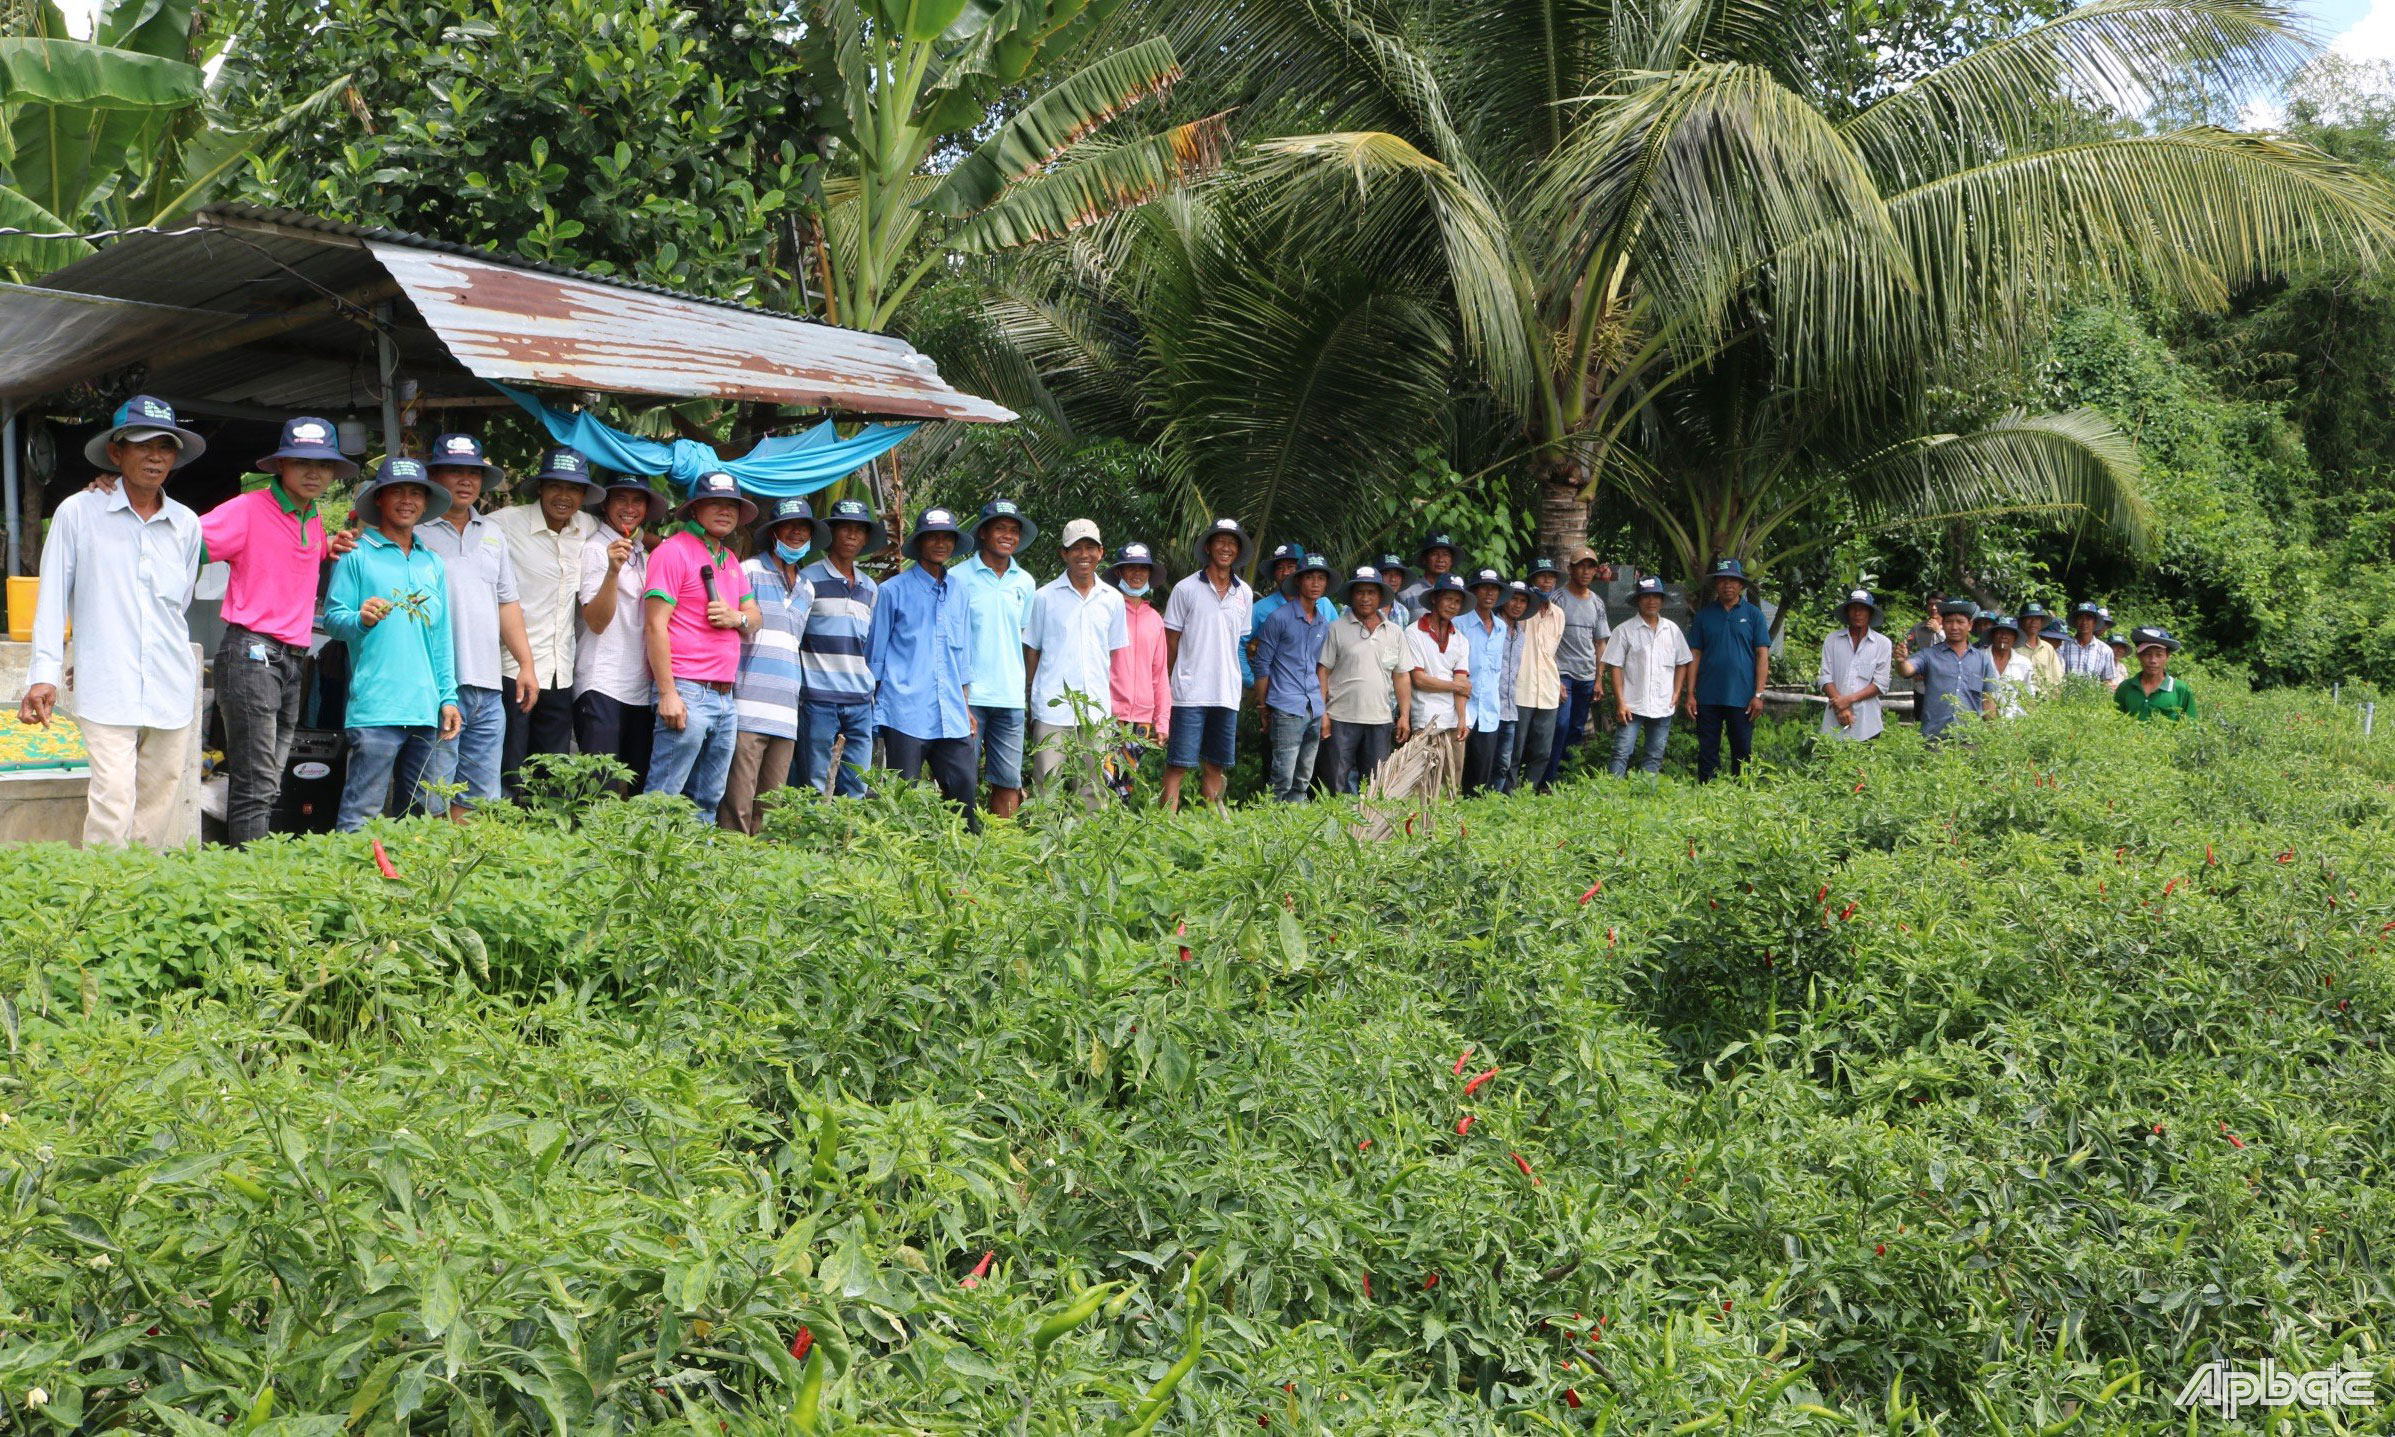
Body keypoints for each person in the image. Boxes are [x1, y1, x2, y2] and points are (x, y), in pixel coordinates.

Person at [20, 394, 208, 847]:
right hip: (107, 682)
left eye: (166, 446)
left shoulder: (186, 523)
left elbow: (176, 605)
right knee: (113, 798)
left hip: (169, 683)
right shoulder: (77, 512)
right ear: (116, 452)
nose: (156, 456)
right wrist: (44, 673)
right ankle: (102, 898)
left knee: (158, 800)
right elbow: (51, 601)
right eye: (142, 445)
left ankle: (139, 900)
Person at [200, 415, 359, 844]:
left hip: (291, 658)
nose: (314, 472)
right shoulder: (247, 509)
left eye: (324, 465)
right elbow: (180, 544)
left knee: (269, 782)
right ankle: (250, 885)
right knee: (254, 784)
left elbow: (287, 555)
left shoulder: (311, 517)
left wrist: (327, 547)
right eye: (302, 462)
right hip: (251, 654)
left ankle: (255, 875)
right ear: (281, 466)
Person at [325, 458, 462, 831]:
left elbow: (441, 637)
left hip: (425, 710)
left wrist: (448, 697)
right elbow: (333, 620)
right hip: (375, 710)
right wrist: (361, 619)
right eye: (397, 492)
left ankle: (407, 890)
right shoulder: (357, 553)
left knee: (418, 820)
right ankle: (348, 886)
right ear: (380, 501)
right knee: (360, 816)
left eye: (415, 492)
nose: (407, 500)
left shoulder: (431, 562)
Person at [418, 434, 537, 819]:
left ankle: (463, 874)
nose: (466, 481)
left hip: (487, 687)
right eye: (455, 471)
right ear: (435, 476)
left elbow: (507, 603)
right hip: (438, 684)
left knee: (477, 798)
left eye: (474, 473)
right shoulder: (416, 532)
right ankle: (428, 872)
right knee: (433, 793)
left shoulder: (492, 533)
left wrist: (526, 665)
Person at [641, 471, 764, 811]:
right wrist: (667, 693)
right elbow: (654, 625)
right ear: (695, 509)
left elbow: (754, 618)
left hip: (726, 696)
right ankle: (645, 862)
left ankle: (699, 862)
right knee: (663, 796)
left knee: (707, 800)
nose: (725, 511)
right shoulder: (673, 552)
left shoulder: (731, 560)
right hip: (686, 690)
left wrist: (735, 618)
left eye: (731, 505)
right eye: (714, 503)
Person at [491, 444, 603, 794]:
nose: (563, 496)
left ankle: (543, 844)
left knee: (551, 774)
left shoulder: (584, 525)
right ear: (540, 487)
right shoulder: (506, 523)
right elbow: (453, 527)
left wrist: (661, 542)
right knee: (510, 771)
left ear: (583, 495)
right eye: (556, 485)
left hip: (560, 671)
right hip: (513, 668)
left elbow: (620, 529)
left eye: (573, 488)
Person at [870, 507, 979, 828]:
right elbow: (875, 655)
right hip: (905, 711)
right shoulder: (892, 591)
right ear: (919, 543)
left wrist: (966, 706)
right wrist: (874, 707)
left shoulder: (959, 591)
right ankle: (899, 864)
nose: (941, 543)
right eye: (933, 537)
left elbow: (962, 657)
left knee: (964, 791)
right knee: (903, 799)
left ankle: (964, 863)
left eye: (947, 537)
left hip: (952, 712)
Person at [719, 496, 816, 834]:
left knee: (771, 808)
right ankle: (730, 867)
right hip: (747, 705)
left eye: (803, 528)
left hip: (786, 711)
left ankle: (761, 875)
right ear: (774, 532)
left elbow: (795, 642)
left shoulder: (808, 589)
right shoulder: (747, 571)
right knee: (737, 801)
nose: (796, 533)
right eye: (789, 527)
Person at [1025, 519, 1129, 804]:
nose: (1084, 554)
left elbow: (1111, 654)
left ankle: (1087, 846)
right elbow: (1032, 650)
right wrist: (1030, 696)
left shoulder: (1113, 599)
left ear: (1101, 552)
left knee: (1093, 789)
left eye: (1090, 548)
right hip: (1052, 710)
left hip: (1096, 711)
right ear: (1064, 553)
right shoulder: (1044, 597)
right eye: (1076, 548)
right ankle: (1044, 845)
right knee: (1047, 785)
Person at [575, 474, 666, 794]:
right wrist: (613, 571)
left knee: (639, 791)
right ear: (606, 504)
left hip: (642, 689)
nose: (629, 508)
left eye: (637, 501)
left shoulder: (644, 552)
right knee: (600, 792)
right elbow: (596, 622)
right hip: (602, 684)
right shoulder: (596, 549)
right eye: (621, 500)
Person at [1161, 518, 1256, 813]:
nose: (1226, 548)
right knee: (1178, 764)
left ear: (1238, 551)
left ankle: (1209, 826)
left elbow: (1238, 643)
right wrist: (1166, 685)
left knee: (1216, 764)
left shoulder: (1245, 593)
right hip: (1189, 691)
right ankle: (1165, 825)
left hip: (1226, 692)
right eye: (1220, 541)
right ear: (1208, 547)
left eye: (1232, 543)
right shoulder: (1185, 589)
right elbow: (1171, 642)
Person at [798, 497, 886, 797]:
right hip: (818, 697)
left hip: (860, 700)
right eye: (845, 529)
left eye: (859, 530)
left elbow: (870, 646)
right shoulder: (808, 579)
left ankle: (850, 842)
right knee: (816, 782)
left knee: (857, 784)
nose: (852, 535)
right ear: (831, 534)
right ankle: (816, 844)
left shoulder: (869, 588)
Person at [957, 499, 1038, 819]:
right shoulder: (958, 578)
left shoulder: (1025, 582)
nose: (1008, 536)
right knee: (962, 777)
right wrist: (958, 696)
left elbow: (1018, 637)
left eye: (1014, 530)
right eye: (1000, 528)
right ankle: (961, 845)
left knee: (1007, 779)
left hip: (1010, 698)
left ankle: (1001, 847)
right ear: (983, 533)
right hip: (970, 696)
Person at [1317, 565, 1412, 794]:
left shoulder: (1394, 632)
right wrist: (1322, 714)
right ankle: (1335, 828)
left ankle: (1369, 830)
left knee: (1375, 786)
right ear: (1351, 596)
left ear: (1380, 596)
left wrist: (1404, 716)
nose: (1365, 598)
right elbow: (1323, 672)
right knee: (1335, 784)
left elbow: (1401, 676)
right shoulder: (1336, 629)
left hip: (1380, 719)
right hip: (1341, 718)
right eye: (1360, 592)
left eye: (1371, 592)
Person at [1251, 552, 1333, 801]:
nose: (1316, 583)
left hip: (1313, 706)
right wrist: (1263, 706)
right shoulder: (1279, 618)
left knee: (1303, 779)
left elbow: (1321, 667)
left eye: (1321, 578)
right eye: (1310, 577)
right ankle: (1271, 827)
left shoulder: (1322, 622)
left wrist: (1323, 707)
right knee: (1282, 777)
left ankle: (1294, 831)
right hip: (1286, 705)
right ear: (1298, 580)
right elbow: (1262, 665)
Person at [1685, 557, 1770, 782]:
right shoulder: (1704, 616)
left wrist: (1759, 694)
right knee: (1707, 750)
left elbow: (1762, 655)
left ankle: (1742, 795)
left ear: (1741, 585)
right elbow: (1695, 654)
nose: (1727, 585)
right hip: (1708, 696)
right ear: (1716, 584)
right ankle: (1707, 793)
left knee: (1742, 751)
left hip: (1742, 698)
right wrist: (1690, 693)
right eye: (1722, 580)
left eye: (1733, 580)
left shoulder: (1754, 615)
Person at [1603, 575, 1691, 777]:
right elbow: (1614, 666)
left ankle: (1646, 795)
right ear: (1638, 600)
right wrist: (1620, 702)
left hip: (1663, 703)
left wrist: (1677, 692)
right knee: (1621, 752)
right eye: (1646, 597)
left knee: (1654, 754)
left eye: (1655, 597)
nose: (1651, 601)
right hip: (1632, 704)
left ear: (1661, 600)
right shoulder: (1624, 630)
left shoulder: (1672, 630)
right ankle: (1609, 795)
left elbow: (1683, 662)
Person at [1543, 547, 1611, 786]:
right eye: (1580, 565)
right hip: (1562, 674)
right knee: (1560, 725)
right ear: (1570, 569)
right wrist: (1554, 677)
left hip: (1587, 676)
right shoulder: (1557, 599)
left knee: (1576, 728)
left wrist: (1599, 678)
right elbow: (1546, 640)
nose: (1585, 571)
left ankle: (1565, 775)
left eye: (1590, 566)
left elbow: (1600, 643)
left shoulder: (1597, 603)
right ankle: (1547, 780)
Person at [1896, 598, 1998, 740]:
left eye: (1960, 622)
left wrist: (1992, 736)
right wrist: (1901, 661)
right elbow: (1906, 670)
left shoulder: (1983, 660)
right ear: (1942, 624)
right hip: (1934, 739)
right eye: (1949, 622)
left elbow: (1988, 702)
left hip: (1971, 740)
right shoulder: (1928, 655)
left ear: (1970, 625)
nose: (1954, 627)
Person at [1107, 541, 1170, 750]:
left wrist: (1162, 721)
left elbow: (1159, 673)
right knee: (1102, 778)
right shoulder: (1107, 611)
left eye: (1143, 568)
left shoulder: (1155, 620)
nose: (1137, 573)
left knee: (1127, 781)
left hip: (1142, 717)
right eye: (1131, 567)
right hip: (1108, 712)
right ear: (1119, 572)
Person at [1456, 567, 1512, 794]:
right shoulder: (1460, 624)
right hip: (1462, 710)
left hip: (1489, 711)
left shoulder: (1501, 627)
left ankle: (1473, 823)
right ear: (1474, 591)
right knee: (1457, 771)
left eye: (1494, 589)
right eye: (1484, 588)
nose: (1489, 593)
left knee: (1480, 778)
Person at [1509, 572, 1564, 793]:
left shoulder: (1559, 614)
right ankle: (1508, 794)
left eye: (1551, 578)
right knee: (1515, 748)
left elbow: (1552, 652)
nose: (1547, 582)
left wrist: (1558, 681)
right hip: (1522, 688)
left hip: (1549, 689)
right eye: (1542, 577)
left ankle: (1528, 794)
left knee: (1543, 751)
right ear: (1532, 581)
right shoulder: (1522, 611)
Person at [1816, 587, 1892, 742]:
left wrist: (1847, 700)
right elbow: (1825, 677)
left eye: (1863, 609)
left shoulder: (1883, 643)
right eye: (1853, 609)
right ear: (1847, 612)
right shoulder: (1832, 640)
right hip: (1834, 719)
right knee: (1832, 763)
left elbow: (1881, 684)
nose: (1858, 613)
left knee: (1864, 765)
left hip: (1867, 723)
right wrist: (1841, 705)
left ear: (1870, 613)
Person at [1405, 573, 1472, 749]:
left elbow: (1461, 681)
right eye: (1448, 599)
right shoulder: (1413, 633)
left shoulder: (1461, 640)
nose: (1453, 605)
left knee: (1453, 776)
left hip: (1454, 721)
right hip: (1426, 719)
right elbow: (1419, 680)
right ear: (1434, 598)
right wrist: (1457, 686)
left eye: (1457, 601)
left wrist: (1463, 719)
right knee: (1425, 776)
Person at [2115, 627, 2196, 721]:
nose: (2153, 660)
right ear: (2139, 656)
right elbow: (2116, 721)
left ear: (2167, 656)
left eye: (2159, 655)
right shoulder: (2125, 687)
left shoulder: (2180, 689)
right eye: (2147, 654)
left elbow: (2191, 726)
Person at [2057, 601, 2121, 687]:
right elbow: (2057, 677)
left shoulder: (2105, 650)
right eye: (2080, 618)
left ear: (2095, 622)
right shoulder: (2062, 647)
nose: (2084, 622)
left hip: (2092, 698)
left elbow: (2107, 681)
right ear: (2075, 621)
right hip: (2067, 698)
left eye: (2088, 619)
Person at [1397, 533, 1464, 614]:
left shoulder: (1459, 591)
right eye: (1434, 554)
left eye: (1445, 555)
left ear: (1451, 561)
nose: (1440, 559)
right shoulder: (1407, 592)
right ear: (1424, 559)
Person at [1986, 614, 2037, 717]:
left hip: (2013, 725)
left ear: (2015, 637)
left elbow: (2029, 698)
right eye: (2000, 632)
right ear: (1993, 635)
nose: (2004, 636)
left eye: (2009, 633)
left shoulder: (2024, 663)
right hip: (1980, 725)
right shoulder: (1979, 658)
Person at [2016, 600, 2065, 690]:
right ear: (2021, 622)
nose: (2033, 622)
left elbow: (2057, 680)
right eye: (2029, 618)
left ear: (2041, 622)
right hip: (2018, 700)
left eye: (2037, 618)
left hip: (2044, 701)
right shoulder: (2014, 647)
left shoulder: (2048, 648)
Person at [1376, 554, 1414, 624]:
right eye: (1386, 574)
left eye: (1397, 574)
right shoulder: (1365, 607)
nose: (1393, 579)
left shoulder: (1403, 612)